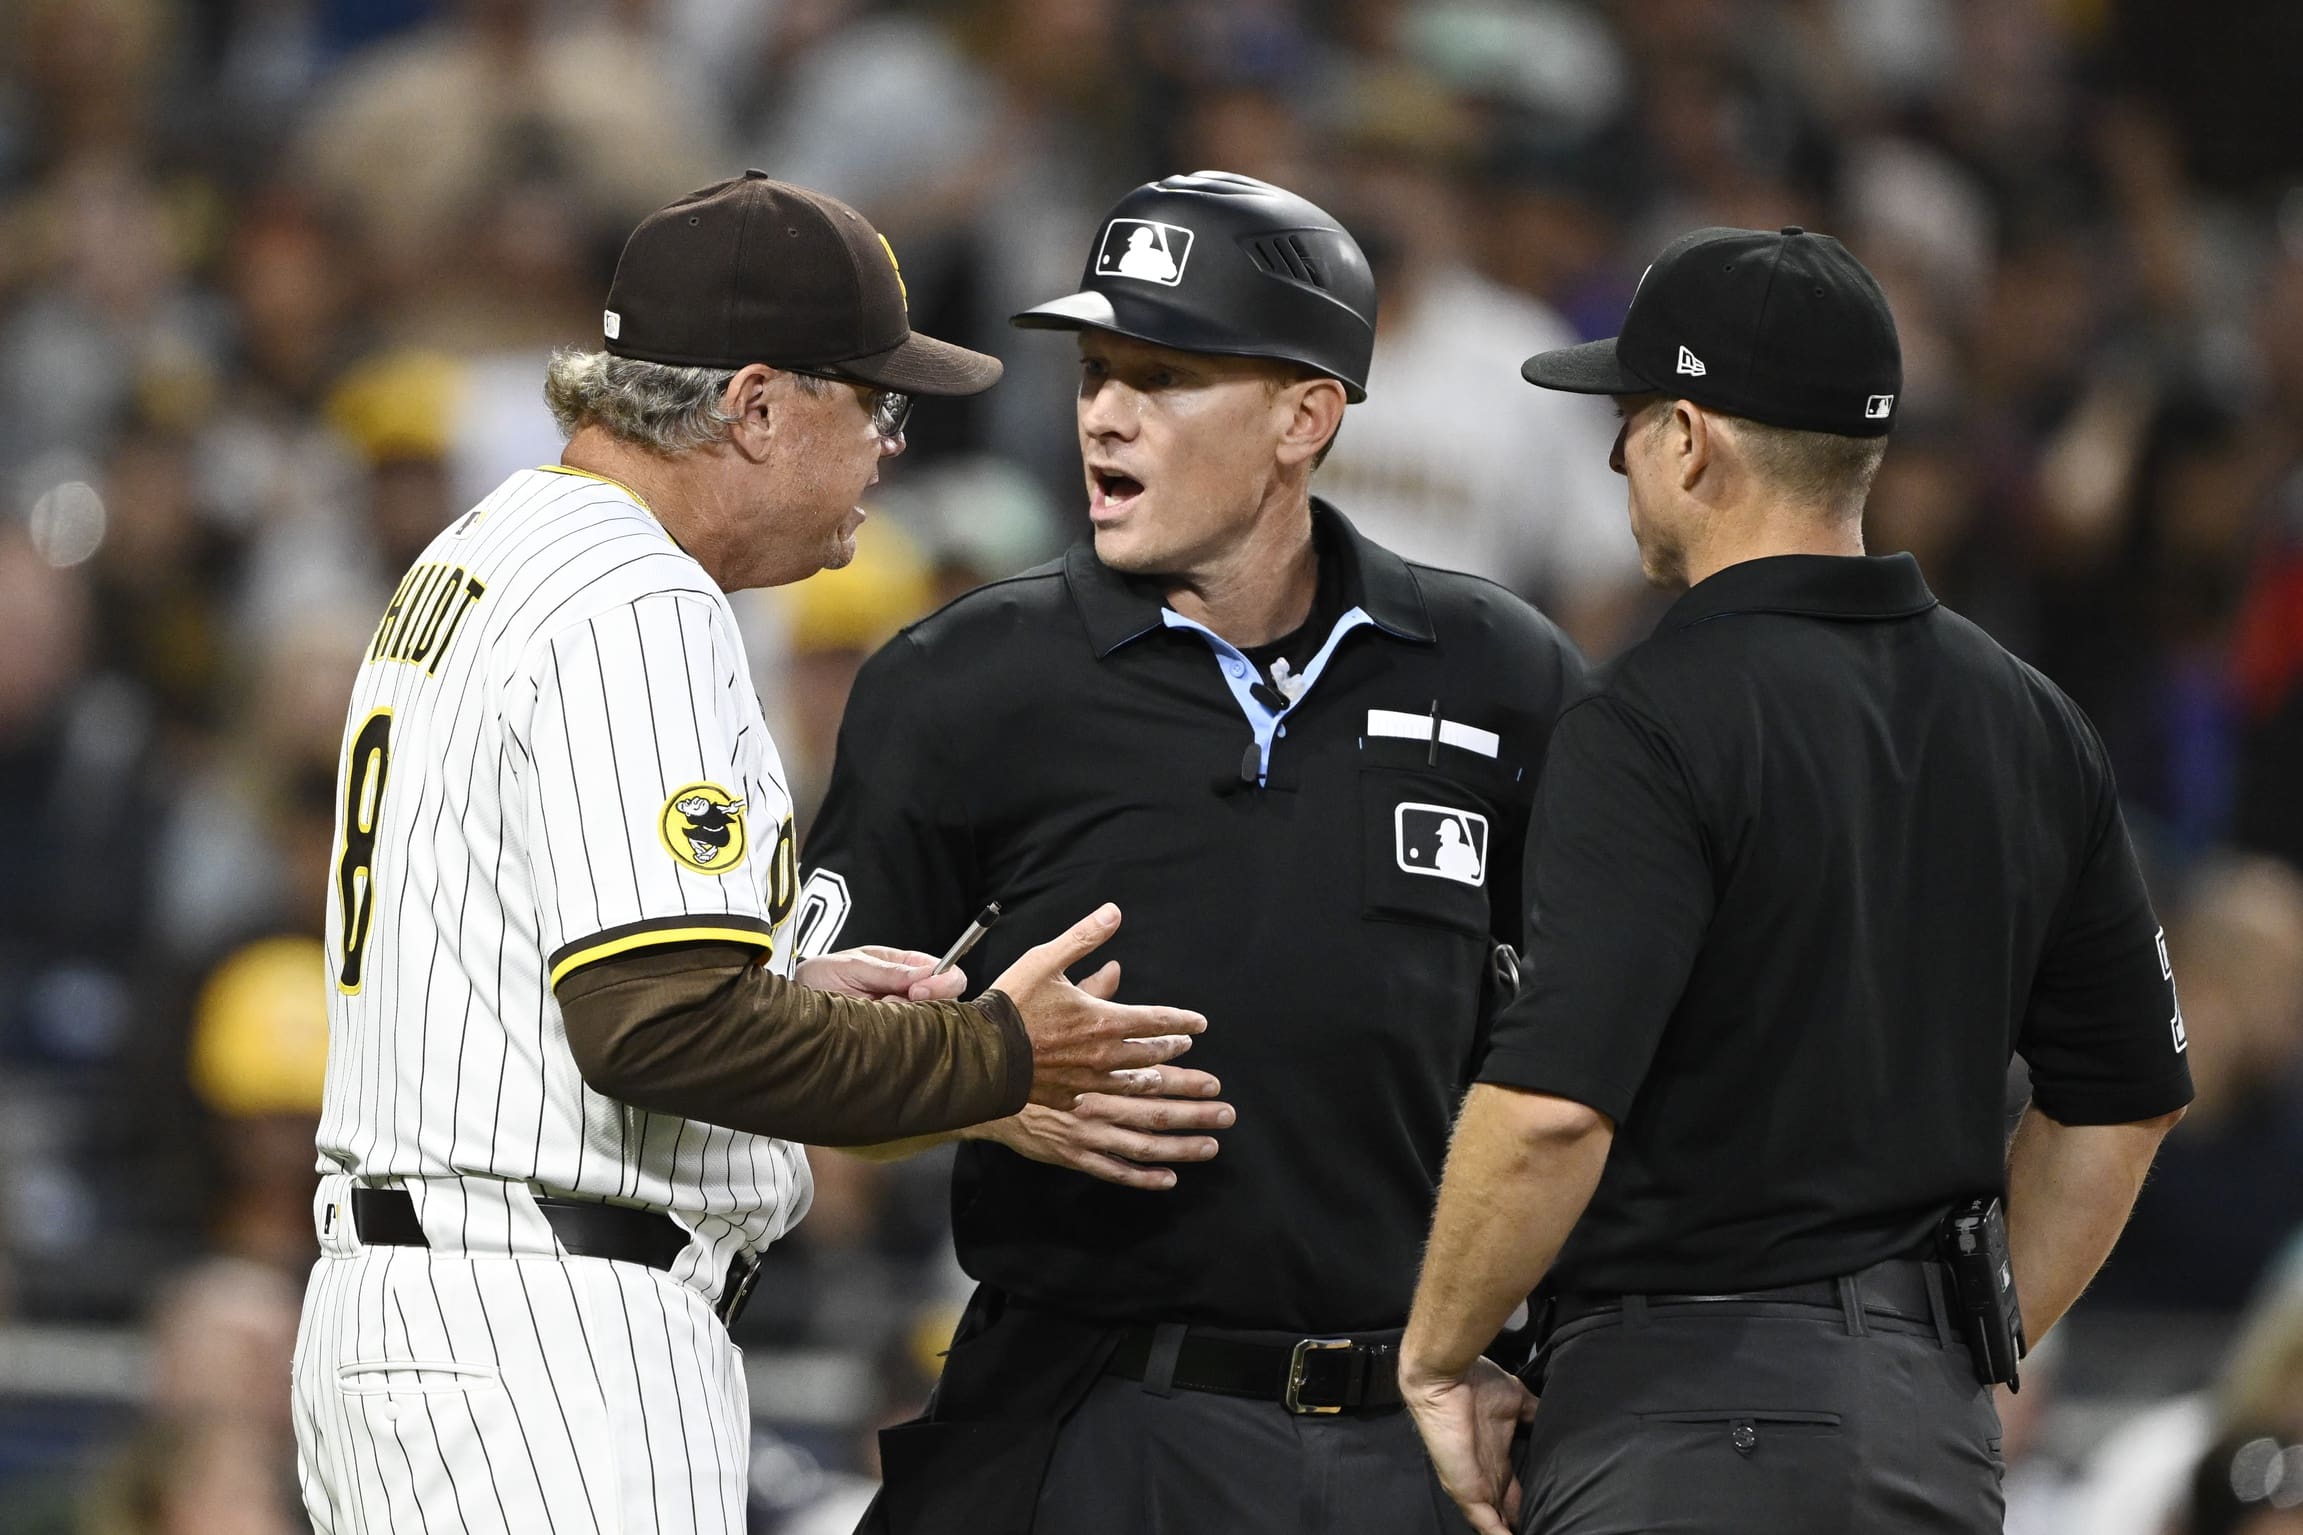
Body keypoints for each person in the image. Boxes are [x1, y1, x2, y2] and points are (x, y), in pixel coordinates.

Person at [288, 173, 1209, 1535]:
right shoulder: (640, 597)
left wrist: (795, 1003)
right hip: (550, 1347)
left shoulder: (485, 550)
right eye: (875, 402)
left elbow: (596, 989)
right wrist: (1000, 1058)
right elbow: (656, 1031)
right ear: (759, 406)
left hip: (430, 1317)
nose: (893, 447)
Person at [801, 170, 1589, 1534]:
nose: (1104, 411)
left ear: (1305, 415)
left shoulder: (1502, 674)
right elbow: (784, 1031)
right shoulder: (966, 679)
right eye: (1097, 371)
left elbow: (1592, 1049)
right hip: (1086, 1421)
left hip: (1415, 1439)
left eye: (1162, 376)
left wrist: (1541, 1350)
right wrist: (977, 1080)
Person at [1395, 226, 2196, 1535]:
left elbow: (1551, 1113)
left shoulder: (1651, 717)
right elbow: (2122, 1109)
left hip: (1687, 1413)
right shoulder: (2030, 718)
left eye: (1636, 418)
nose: (1615, 454)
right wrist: (1956, 1350)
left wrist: (1433, 1355)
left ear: (1695, 440)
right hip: (1920, 1429)